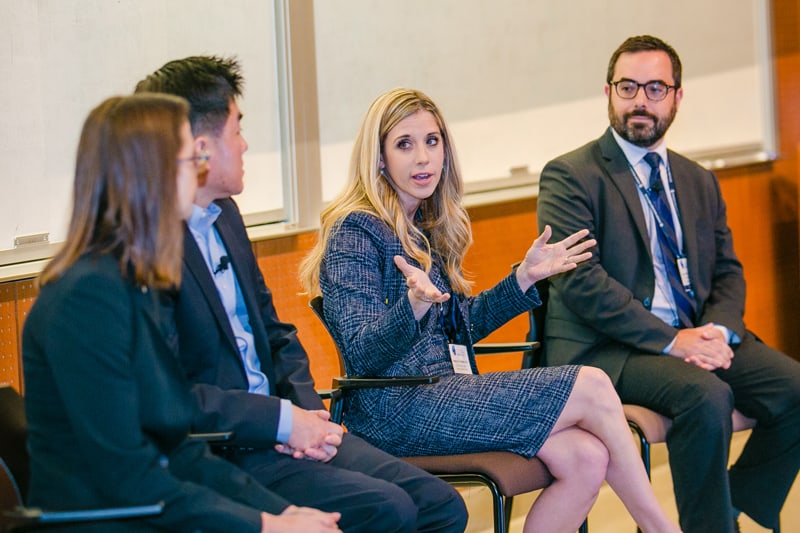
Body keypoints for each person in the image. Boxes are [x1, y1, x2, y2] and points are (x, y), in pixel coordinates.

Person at [299, 87, 682, 533]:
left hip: (440, 392)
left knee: (586, 458)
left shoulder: (422, 225)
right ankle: (662, 528)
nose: (423, 157)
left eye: (432, 141)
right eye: (405, 144)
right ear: (379, 158)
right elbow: (363, 354)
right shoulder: (355, 231)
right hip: (392, 408)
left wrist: (525, 279)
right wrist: (412, 306)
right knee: (593, 384)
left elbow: (461, 327)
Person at [135, 56, 468, 533]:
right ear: (202, 146)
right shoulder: (149, 247)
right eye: (238, 129)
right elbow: (172, 394)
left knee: (442, 505)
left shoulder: (225, 217)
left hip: (286, 423)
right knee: (389, 508)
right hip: (225, 444)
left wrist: (306, 409)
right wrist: (280, 422)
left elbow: (277, 333)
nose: (246, 144)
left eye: (433, 142)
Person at [22, 93, 341, 532]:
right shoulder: (86, 299)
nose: (201, 169)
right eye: (191, 158)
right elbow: (128, 476)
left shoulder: (135, 285)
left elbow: (180, 447)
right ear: (150, 174)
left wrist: (279, 513)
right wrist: (263, 526)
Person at [536, 34, 800, 533]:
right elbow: (581, 283)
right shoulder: (571, 175)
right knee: (706, 396)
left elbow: (727, 271)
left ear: (678, 96)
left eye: (655, 88)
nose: (640, 100)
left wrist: (716, 334)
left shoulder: (697, 179)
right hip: (606, 349)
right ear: (608, 92)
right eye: (628, 87)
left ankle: (727, 507)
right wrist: (672, 341)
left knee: (795, 389)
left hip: (691, 334)